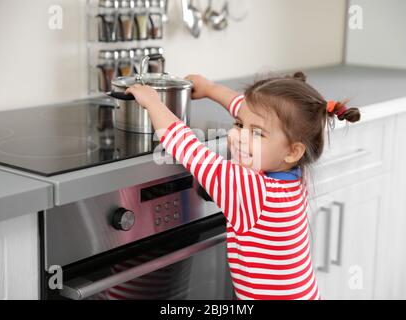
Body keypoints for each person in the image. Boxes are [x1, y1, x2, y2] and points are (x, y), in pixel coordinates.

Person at [125, 71, 361, 300]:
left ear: (292, 151)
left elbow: (186, 146)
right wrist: (210, 89)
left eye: (256, 133)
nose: (239, 136)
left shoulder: (250, 189)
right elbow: (246, 108)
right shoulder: (297, 175)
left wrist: (153, 102)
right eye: (239, 125)